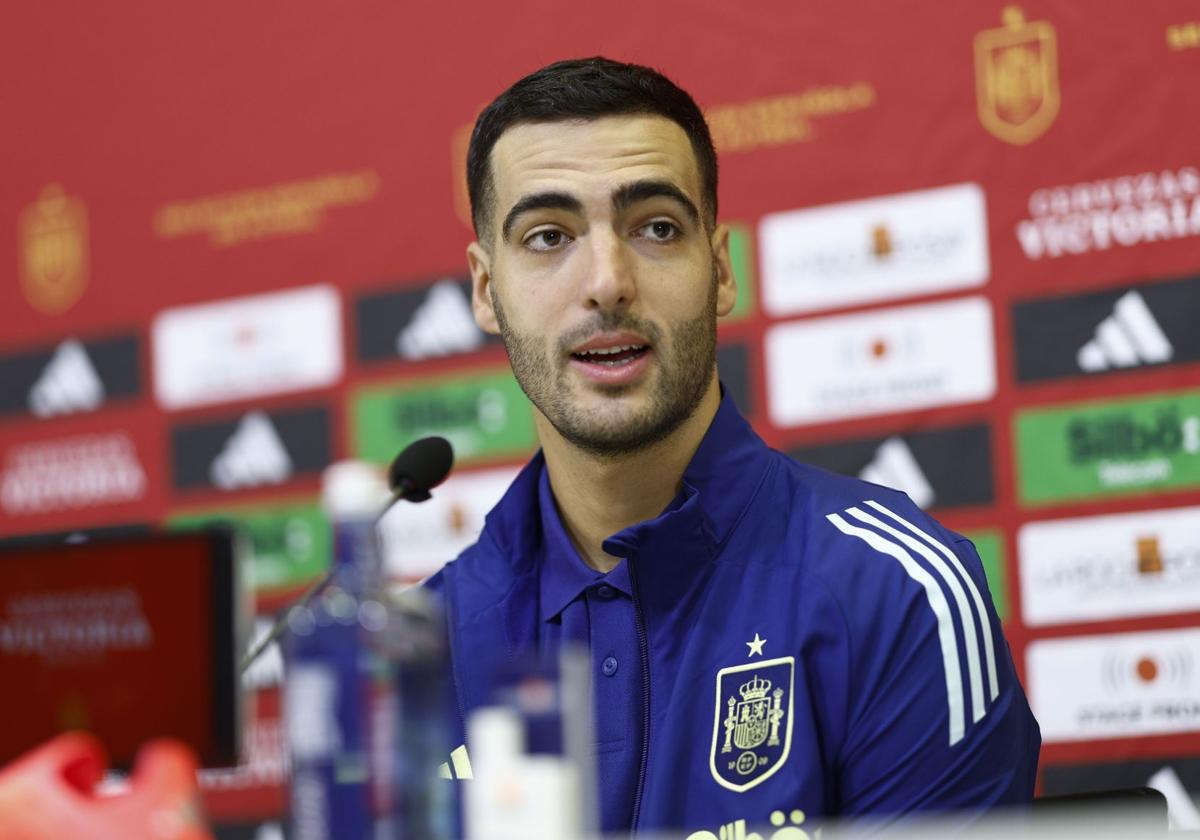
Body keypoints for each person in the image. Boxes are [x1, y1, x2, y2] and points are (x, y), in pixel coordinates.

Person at [425, 56, 1040, 836]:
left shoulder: (897, 590)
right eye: (549, 237)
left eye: (656, 227)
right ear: (487, 290)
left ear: (718, 269)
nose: (608, 281)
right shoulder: (415, 657)